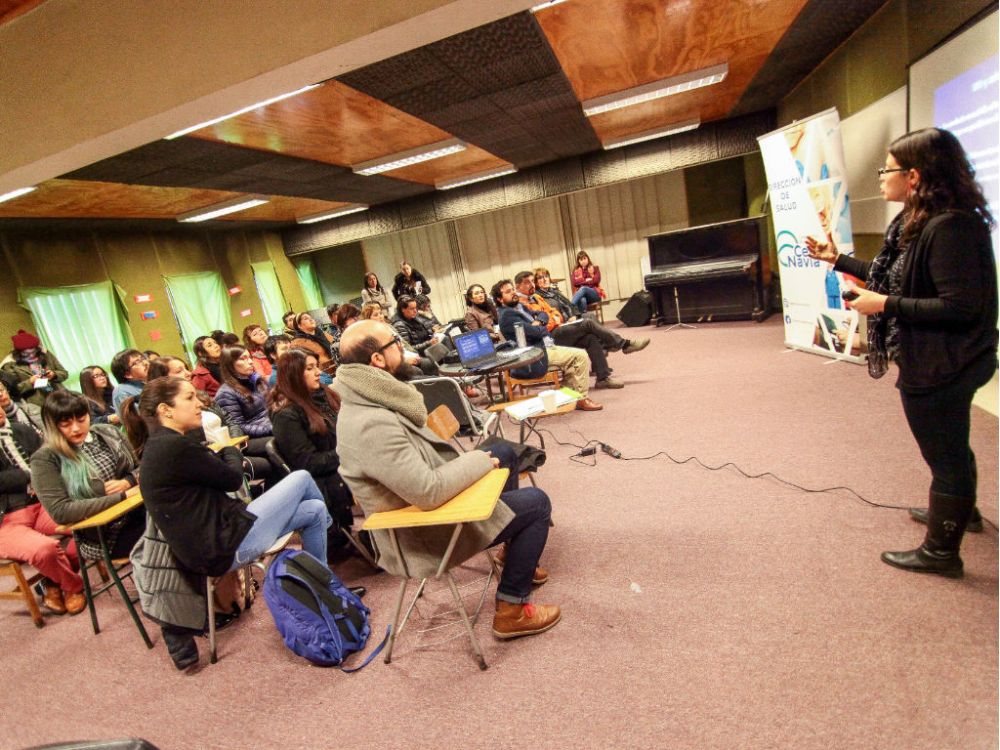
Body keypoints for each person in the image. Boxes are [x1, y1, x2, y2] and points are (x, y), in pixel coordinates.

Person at [805, 127, 997, 578]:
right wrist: (838, 259)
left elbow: (958, 306)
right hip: (941, 357)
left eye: (885, 169)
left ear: (913, 176)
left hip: (947, 362)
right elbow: (893, 277)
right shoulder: (920, 221)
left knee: (945, 454)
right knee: (949, 445)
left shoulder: (949, 227)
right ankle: (961, 512)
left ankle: (940, 553)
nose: (879, 178)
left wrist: (884, 305)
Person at [335, 320, 561, 639]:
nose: (403, 347)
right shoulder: (370, 423)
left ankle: (511, 551)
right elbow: (428, 492)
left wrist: (483, 460)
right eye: (395, 342)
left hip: (428, 509)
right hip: (423, 532)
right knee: (538, 504)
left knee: (505, 453)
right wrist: (479, 461)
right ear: (377, 360)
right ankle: (512, 608)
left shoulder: (374, 396)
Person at [123, 376, 331, 669]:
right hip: (223, 547)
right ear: (165, 410)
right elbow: (233, 477)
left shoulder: (164, 446)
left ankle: (321, 591)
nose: (199, 404)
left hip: (223, 535)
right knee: (302, 477)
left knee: (314, 510)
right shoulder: (174, 448)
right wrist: (229, 447)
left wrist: (221, 453)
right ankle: (327, 578)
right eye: (189, 398)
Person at [31, 391, 146, 576]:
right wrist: (121, 497)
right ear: (52, 426)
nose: (76, 428)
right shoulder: (45, 458)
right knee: (170, 528)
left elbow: (142, 468)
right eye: (66, 424)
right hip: (106, 534)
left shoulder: (108, 432)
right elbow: (61, 511)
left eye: (82, 419)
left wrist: (128, 481)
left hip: (139, 511)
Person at [269, 349, 358, 560]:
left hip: (339, 464)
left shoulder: (323, 396)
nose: (318, 372)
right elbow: (307, 463)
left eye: (316, 366)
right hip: (324, 477)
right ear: (293, 375)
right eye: (310, 369)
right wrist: (350, 454)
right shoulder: (286, 415)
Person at [0, 402, 85, 615]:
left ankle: (52, 582)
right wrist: (32, 474)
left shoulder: (21, 430)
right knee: (44, 549)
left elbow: (51, 460)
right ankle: (74, 586)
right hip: (6, 519)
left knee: (86, 526)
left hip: (43, 503)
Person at [515, 271, 650, 390]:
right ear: (518, 286)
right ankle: (623, 344)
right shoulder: (521, 305)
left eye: (532, 281)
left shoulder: (537, 298)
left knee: (590, 337)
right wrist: (552, 320)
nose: (532, 284)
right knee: (588, 323)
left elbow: (555, 313)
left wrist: (555, 318)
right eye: (527, 282)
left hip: (559, 329)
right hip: (548, 339)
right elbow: (539, 326)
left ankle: (603, 379)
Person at [492, 279, 603, 411]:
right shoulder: (507, 316)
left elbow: (542, 314)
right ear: (499, 299)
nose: (513, 293)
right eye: (508, 292)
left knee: (577, 353)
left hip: (545, 346)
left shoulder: (519, 307)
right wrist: (542, 327)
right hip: (533, 355)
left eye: (513, 290)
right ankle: (582, 399)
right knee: (580, 356)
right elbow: (536, 333)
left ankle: (567, 395)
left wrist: (539, 322)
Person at [215, 347, 273, 439]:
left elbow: (273, 406)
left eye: (249, 357)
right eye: (243, 359)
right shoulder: (225, 393)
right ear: (230, 364)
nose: (250, 362)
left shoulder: (257, 380)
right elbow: (238, 427)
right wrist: (271, 428)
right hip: (252, 437)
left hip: (271, 424)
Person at [2, 330, 67, 407]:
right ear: (18, 352)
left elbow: (64, 373)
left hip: (62, 398)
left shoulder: (45, 354)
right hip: (38, 406)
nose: (31, 355)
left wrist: (54, 375)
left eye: (33, 352)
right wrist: (30, 382)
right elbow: (12, 392)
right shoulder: (10, 365)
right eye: (26, 354)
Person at [391, 295, 441, 376]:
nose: (415, 311)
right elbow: (409, 349)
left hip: (426, 349)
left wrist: (432, 333)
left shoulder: (414, 319)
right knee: (429, 363)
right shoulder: (399, 325)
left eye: (416, 308)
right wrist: (429, 343)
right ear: (403, 310)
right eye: (412, 309)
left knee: (444, 341)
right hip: (417, 353)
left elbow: (423, 334)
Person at [290, 312, 337, 376]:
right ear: (299, 326)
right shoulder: (297, 343)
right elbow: (302, 365)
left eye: (311, 318)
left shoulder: (323, 333)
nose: (311, 319)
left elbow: (336, 345)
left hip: (337, 367)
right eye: (306, 318)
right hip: (320, 375)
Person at [110, 348, 149, 414]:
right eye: (137, 362)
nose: (145, 363)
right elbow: (137, 418)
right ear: (127, 374)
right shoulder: (121, 391)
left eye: (142, 358)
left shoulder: (151, 381)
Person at [570, 250, 605, 315]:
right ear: (578, 261)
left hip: (595, 294)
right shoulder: (575, 271)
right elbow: (574, 283)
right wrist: (586, 280)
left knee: (583, 288)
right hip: (584, 297)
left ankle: (571, 306)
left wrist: (581, 282)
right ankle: (584, 320)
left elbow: (596, 280)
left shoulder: (595, 268)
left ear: (588, 258)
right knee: (582, 300)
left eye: (584, 258)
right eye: (581, 259)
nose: (583, 261)